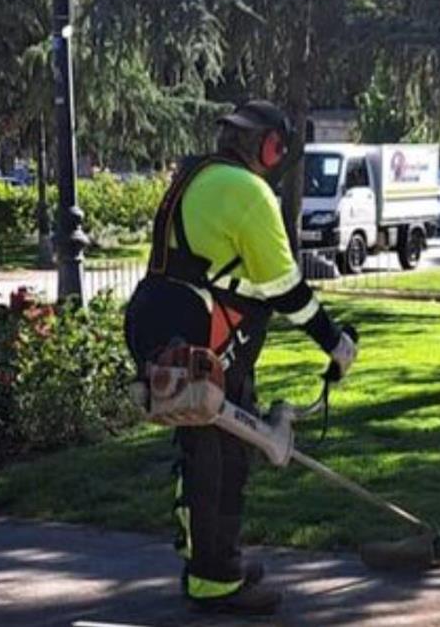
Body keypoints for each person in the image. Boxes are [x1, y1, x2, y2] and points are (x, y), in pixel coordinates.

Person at [124, 100, 357, 616]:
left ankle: (217, 560)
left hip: (168, 324)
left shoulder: (197, 176)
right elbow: (286, 288)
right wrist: (335, 343)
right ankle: (214, 578)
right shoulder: (246, 191)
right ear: (270, 147)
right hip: (199, 338)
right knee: (218, 460)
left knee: (210, 450)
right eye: (277, 148)